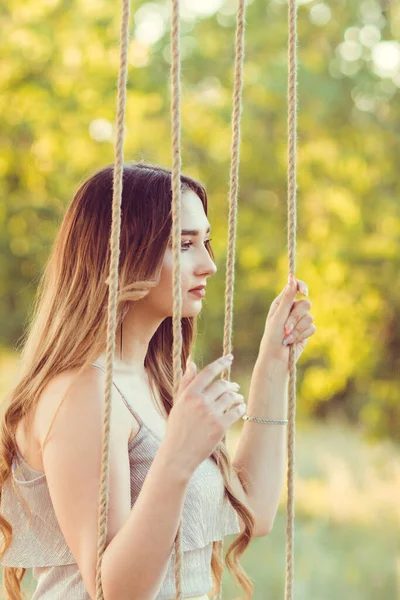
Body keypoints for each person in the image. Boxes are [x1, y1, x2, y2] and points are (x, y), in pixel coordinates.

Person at [0, 163, 264, 600]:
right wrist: (178, 456)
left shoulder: (152, 380)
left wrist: (274, 362)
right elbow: (114, 591)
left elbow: (252, 513)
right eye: (184, 244)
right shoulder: (83, 393)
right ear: (121, 254)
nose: (209, 265)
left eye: (206, 242)